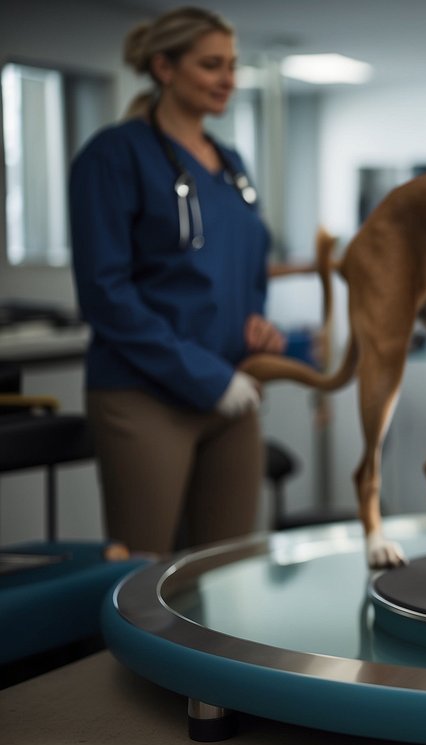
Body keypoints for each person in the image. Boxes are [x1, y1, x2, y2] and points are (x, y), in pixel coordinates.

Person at [69, 7, 285, 556]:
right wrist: (206, 376)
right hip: (145, 395)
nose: (228, 80)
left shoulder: (232, 164)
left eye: (232, 65)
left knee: (229, 574)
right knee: (145, 578)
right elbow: (104, 294)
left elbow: (246, 263)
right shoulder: (113, 156)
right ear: (164, 67)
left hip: (231, 394)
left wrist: (256, 323)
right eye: (211, 65)